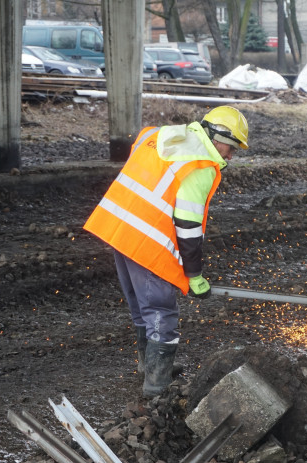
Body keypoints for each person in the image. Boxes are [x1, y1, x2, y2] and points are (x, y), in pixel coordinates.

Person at [84, 106, 249, 398]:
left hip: (118, 226)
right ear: (216, 135)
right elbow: (187, 226)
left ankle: (148, 365)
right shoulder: (200, 166)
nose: (231, 155)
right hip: (146, 240)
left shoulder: (160, 135)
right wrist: (194, 275)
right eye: (232, 146)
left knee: (141, 305)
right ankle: (157, 385)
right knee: (161, 308)